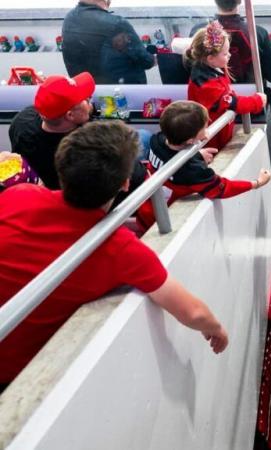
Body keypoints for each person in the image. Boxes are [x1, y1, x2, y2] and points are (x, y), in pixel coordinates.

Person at [0, 121, 228, 393]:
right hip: (19, 374)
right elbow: (192, 311)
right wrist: (217, 330)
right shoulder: (119, 248)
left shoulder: (18, 195)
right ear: (125, 183)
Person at [8, 73, 147, 205]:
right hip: (100, 206)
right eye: (85, 99)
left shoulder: (21, 121)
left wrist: (84, 111)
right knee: (144, 135)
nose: (89, 100)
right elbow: (137, 175)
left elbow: (47, 108)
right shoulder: (88, 148)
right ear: (70, 116)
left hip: (56, 194)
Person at [136, 100, 271, 229]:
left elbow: (170, 156)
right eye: (204, 130)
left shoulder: (157, 140)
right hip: (159, 221)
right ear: (190, 141)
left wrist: (196, 155)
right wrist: (256, 183)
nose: (207, 134)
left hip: (145, 210)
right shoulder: (194, 172)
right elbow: (222, 189)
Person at [186, 21, 267, 150]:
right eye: (225, 53)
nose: (229, 55)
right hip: (211, 140)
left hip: (220, 132)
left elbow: (228, 95)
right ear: (210, 58)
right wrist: (257, 101)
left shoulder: (212, 70)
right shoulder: (206, 85)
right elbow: (233, 102)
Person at [190, 0, 271, 103]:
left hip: (212, 103)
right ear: (239, 2)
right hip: (253, 102)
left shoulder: (198, 32)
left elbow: (192, 71)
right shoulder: (258, 32)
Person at [62, 0, 155, 84]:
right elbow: (146, 61)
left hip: (87, 92)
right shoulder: (117, 23)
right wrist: (156, 58)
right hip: (120, 94)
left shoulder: (69, 18)